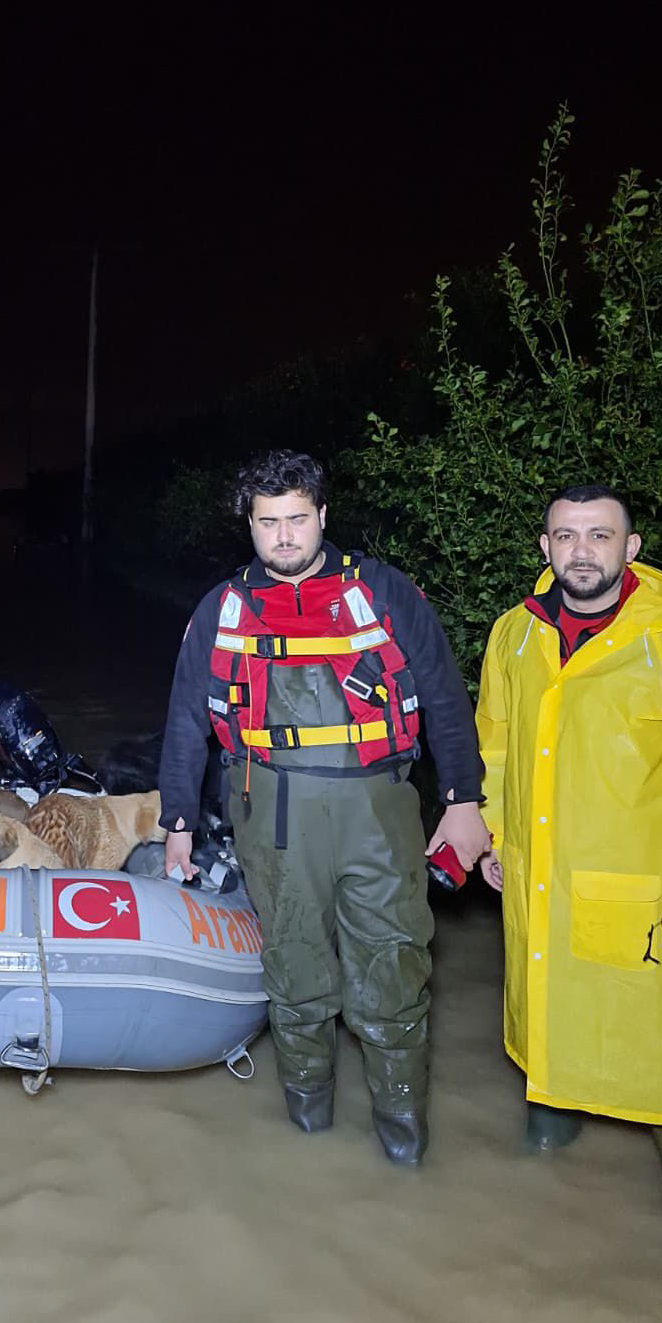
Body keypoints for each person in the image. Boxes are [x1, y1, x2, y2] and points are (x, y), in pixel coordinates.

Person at [159, 450, 489, 1164]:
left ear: (323, 516)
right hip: (271, 815)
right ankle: (308, 1142)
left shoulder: (385, 590)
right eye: (268, 522)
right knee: (296, 975)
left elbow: (443, 698)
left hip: (380, 812)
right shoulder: (223, 608)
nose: (283, 536)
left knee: (393, 974)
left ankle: (403, 1149)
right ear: (249, 526)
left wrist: (463, 801)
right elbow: (186, 718)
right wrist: (178, 823)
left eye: (297, 519)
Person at [476, 486, 662, 1178]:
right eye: (566, 536)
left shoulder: (660, 634)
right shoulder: (514, 633)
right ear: (545, 548)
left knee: (650, 1053)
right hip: (536, 876)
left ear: (631, 547)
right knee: (551, 1049)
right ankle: (545, 1175)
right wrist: (494, 832)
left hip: (643, 887)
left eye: (599, 535)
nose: (581, 551)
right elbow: (493, 744)